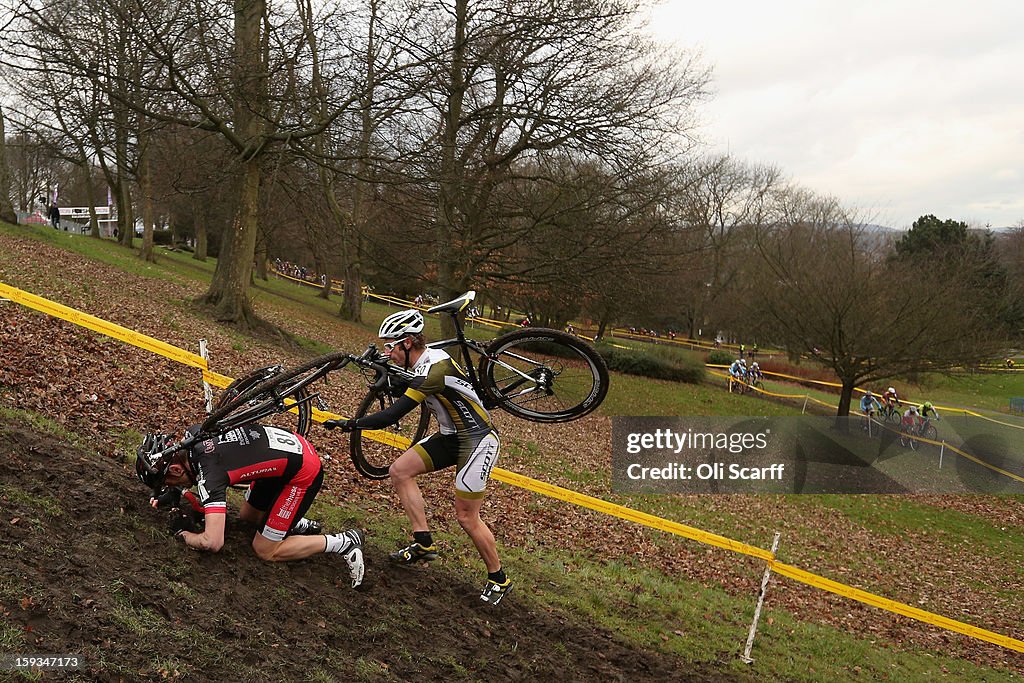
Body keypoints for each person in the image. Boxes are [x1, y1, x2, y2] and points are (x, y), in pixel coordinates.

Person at [324, 309, 512, 605]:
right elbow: (404, 382)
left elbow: (393, 415)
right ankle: (423, 543)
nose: (388, 352)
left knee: (466, 516)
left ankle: (498, 578)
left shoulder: (434, 370)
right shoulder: (423, 360)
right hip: (451, 437)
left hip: (477, 440)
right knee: (399, 471)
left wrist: (351, 423)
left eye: (391, 346)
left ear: (408, 343)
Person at [135, 425, 365, 587]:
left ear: (176, 469)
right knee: (248, 518)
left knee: (265, 550)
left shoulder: (210, 476)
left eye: (166, 482)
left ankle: (343, 542)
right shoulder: (195, 435)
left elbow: (212, 541)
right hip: (286, 450)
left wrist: (182, 532)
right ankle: (294, 522)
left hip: (303, 472)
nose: (167, 487)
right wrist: (177, 491)